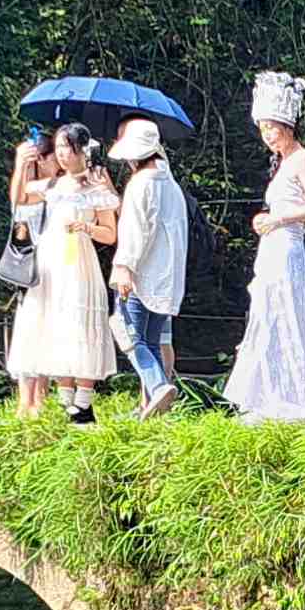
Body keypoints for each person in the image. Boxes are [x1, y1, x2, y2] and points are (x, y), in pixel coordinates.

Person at [227, 73, 305, 424]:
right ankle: (266, 397)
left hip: (287, 246)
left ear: (287, 125)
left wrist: (279, 219)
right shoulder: (283, 163)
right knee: (267, 314)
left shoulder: (301, 159)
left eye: (272, 127)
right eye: (263, 129)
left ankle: (299, 395)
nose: (268, 135)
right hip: (273, 246)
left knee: (285, 314)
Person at [4, 124, 120, 417]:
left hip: (79, 261)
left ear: (82, 149)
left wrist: (86, 227)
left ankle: (83, 403)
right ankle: (62, 401)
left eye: (67, 147)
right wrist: (21, 164)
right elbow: (19, 198)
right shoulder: (53, 186)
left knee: (79, 321)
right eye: (58, 148)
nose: (62, 154)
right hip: (49, 262)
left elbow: (110, 233)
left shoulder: (96, 184)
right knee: (50, 321)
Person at [106, 118, 190, 419]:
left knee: (131, 337)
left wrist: (124, 266)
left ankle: (157, 387)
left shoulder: (140, 184)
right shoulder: (171, 186)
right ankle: (152, 404)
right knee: (152, 339)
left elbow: (135, 232)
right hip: (167, 278)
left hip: (140, 274)